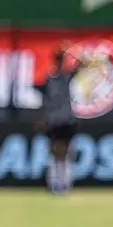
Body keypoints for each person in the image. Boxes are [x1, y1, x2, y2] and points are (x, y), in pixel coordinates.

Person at [37, 48, 78, 194]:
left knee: (65, 152)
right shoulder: (50, 79)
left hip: (66, 118)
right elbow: (45, 100)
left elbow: (82, 65)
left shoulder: (68, 76)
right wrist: (41, 117)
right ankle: (54, 182)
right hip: (53, 119)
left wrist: (73, 50)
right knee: (54, 152)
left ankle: (65, 183)